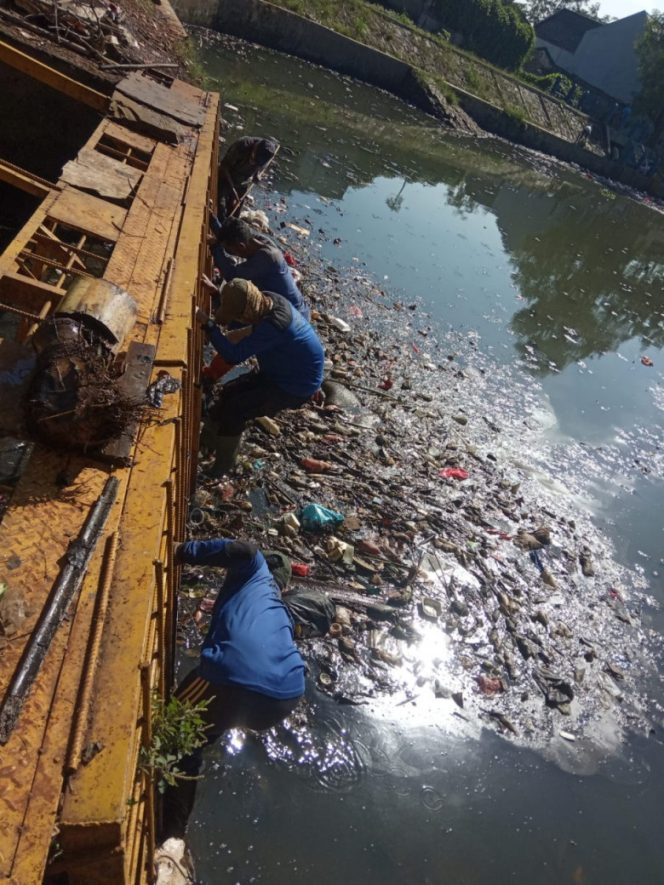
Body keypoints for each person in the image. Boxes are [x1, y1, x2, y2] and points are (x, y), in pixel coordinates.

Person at [160, 538, 303, 843]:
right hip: (285, 697)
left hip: (234, 676)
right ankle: (174, 839)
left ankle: (170, 833)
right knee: (206, 728)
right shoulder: (276, 606)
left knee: (173, 731)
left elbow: (246, 550)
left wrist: (182, 552)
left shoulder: (257, 568)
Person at [197, 278, 324, 476]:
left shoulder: (275, 326)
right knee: (228, 392)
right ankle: (207, 443)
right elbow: (244, 330)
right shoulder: (270, 300)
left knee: (236, 410)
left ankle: (221, 468)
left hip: (294, 386)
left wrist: (209, 326)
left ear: (247, 312)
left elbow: (233, 356)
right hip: (280, 370)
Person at [210, 217, 310, 319]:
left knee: (237, 320)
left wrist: (216, 249)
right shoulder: (257, 240)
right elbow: (231, 236)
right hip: (293, 307)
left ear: (241, 247)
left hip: (294, 315)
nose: (231, 253)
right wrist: (214, 223)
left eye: (231, 250)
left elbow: (232, 275)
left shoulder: (266, 258)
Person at [217, 136, 279, 219]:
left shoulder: (267, 155)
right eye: (253, 160)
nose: (253, 163)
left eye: (256, 163)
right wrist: (232, 188)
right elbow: (224, 166)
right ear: (255, 148)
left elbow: (259, 166)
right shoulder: (242, 146)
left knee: (236, 210)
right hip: (227, 175)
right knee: (221, 205)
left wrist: (256, 175)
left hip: (243, 180)